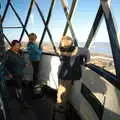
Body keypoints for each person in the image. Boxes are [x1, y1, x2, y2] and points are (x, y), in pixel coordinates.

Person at [55, 36, 90, 113]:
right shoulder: (77, 50)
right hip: (69, 74)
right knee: (66, 91)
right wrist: (86, 61)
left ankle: (58, 104)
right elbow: (86, 51)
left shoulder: (59, 50)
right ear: (71, 42)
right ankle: (62, 107)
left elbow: (61, 56)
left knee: (61, 88)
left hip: (62, 72)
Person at [4, 40, 29, 107]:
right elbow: (4, 64)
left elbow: (21, 60)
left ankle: (18, 95)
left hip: (20, 72)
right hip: (14, 73)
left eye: (19, 45)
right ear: (12, 46)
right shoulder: (8, 53)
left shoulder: (19, 52)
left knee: (18, 85)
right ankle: (22, 100)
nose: (18, 47)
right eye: (17, 46)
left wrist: (24, 64)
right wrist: (8, 73)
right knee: (19, 86)